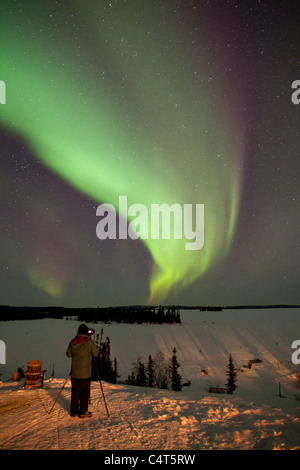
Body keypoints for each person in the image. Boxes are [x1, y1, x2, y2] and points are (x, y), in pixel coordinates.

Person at [66, 324, 99, 418]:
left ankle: (74, 411)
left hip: (75, 373)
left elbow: (68, 355)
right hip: (85, 374)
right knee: (84, 392)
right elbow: (95, 354)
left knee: (75, 392)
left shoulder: (73, 342)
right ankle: (83, 411)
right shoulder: (89, 342)